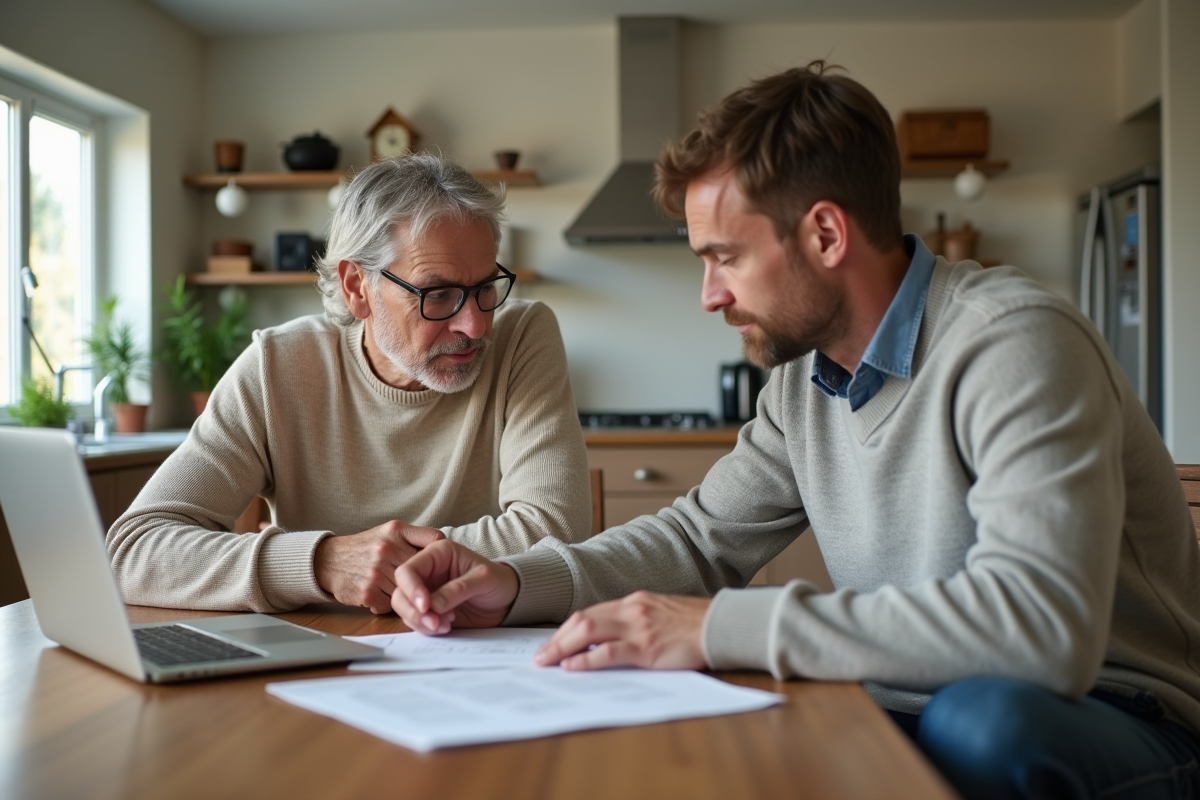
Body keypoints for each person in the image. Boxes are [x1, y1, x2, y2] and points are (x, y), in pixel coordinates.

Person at [389, 65, 1200, 798]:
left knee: (981, 723)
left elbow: (1041, 629)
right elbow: (696, 542)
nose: (708, 295)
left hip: (1109, 716)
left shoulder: (1014, 341)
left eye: (725, 258)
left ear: (825, 234)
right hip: (901, 703)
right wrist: (514, 582)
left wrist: (714, 627)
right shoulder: (802, 382)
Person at [108, 154, 591, 615]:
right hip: (320, 656)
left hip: (476, 650)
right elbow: (134, 551)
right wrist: (320, 562)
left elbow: (555, 534)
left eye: (485, 288)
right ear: (357, 287)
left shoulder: (521, 336)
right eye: (438, 294)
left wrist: (381, 563)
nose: (476, 325)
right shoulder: (279, 366)